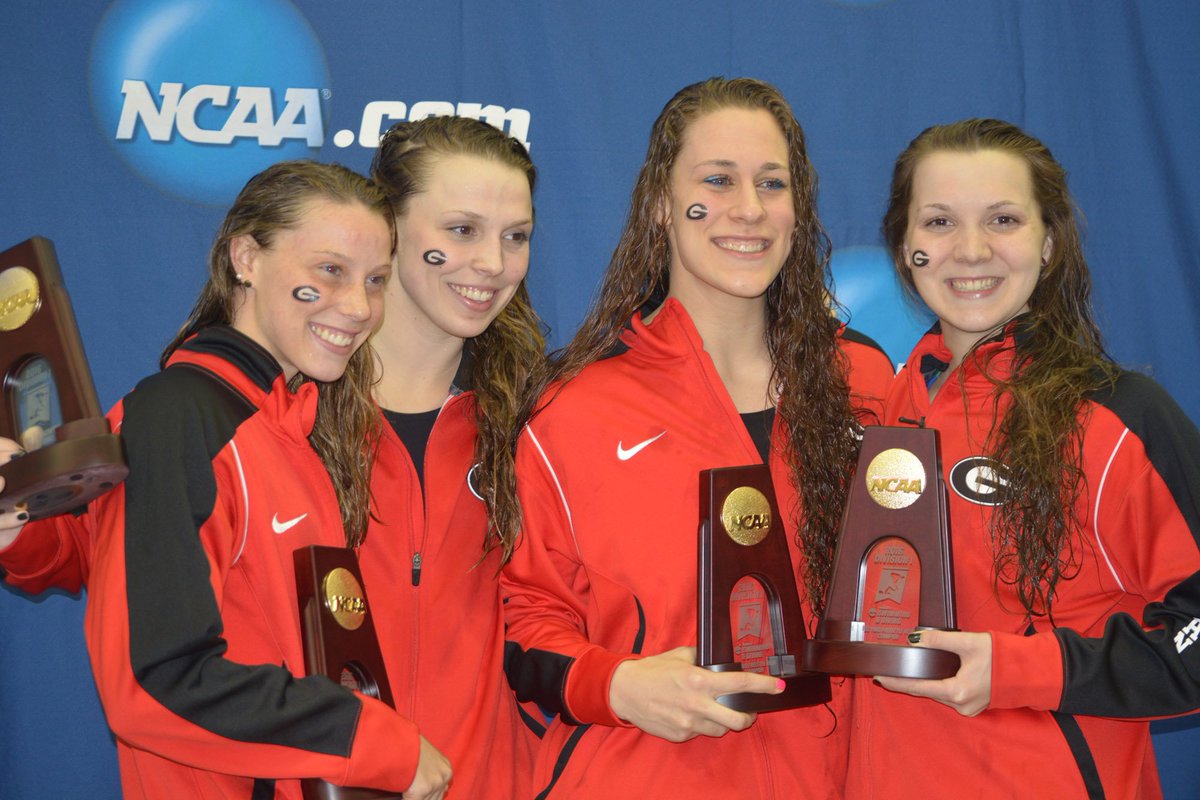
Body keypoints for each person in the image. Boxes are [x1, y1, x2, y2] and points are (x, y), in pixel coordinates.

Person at [0, 160, 453, 799]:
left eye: (376, 280)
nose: (358, 307)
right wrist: (372, 741)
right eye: (330, 270)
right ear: (246, 257)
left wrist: (20, 533)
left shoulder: (292, 422)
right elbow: (153, 677)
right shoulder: (182, 415)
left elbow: (112, 556)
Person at [500, 77, 894, 798]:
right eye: (717, 179)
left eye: (772, 183)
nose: (748, 209)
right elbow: (523, 616)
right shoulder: (575, 408)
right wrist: (615, 685)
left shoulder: (866, 381)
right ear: (660, 206)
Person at [849, 118, 1200, 799]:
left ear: (1048, 243)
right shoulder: (875, 413)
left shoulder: (1117, 416)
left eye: (1003, 220)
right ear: (905, 247)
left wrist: (1020, 670)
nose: (971, 250)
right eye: (940, 223)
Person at [354, 114, 545, 798]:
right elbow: (104, 537)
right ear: (390, 227)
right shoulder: (277, 404)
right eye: (461, 230)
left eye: (515, 237)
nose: (493, 264)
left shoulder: (537, 418)